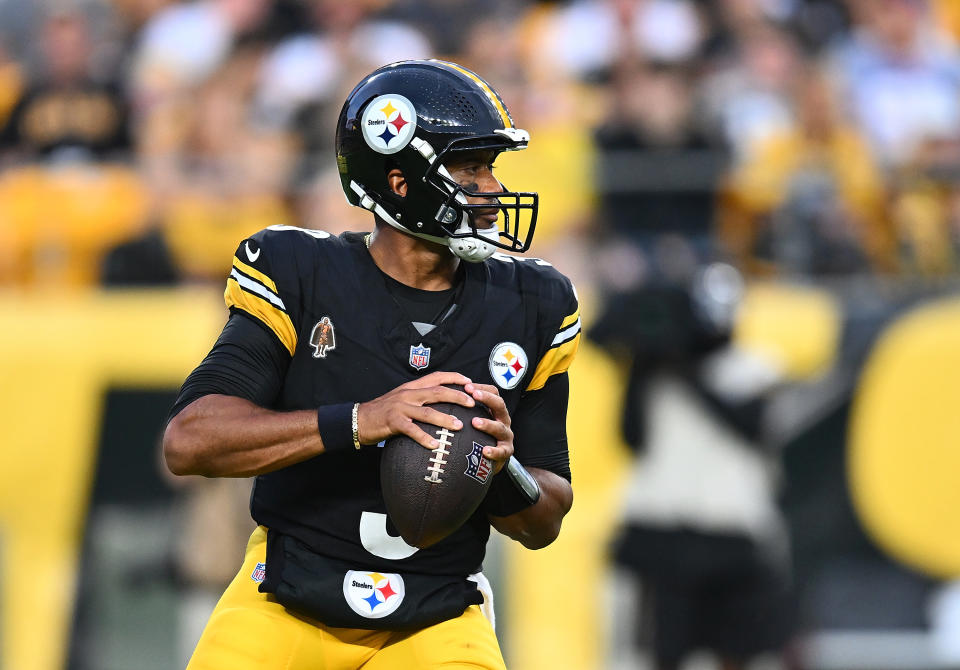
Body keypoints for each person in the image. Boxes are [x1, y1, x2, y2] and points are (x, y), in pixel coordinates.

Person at [162, 59, 580, 669]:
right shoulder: (299, 271)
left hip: (437, 616)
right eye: (470, 167)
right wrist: (362, 420)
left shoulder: (532, 302)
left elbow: (545, 520)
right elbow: (190, 441)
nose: (492, 188)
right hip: (288, 599)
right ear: (400, 182)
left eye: (491, 166)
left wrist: (499, 465)